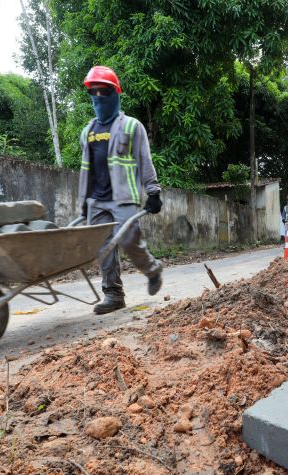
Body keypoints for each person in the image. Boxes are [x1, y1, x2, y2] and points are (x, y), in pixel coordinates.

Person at [78, 65, 164, 315]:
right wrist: (83, 201)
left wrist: (153, 191)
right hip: (96, 200)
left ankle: (152, 270)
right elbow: (86, 169)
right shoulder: (87, 131)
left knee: (129, 241)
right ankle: (113, 295)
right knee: (102, 249)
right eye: (93, 91)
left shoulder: (132, 126)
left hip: (123, 198)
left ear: (115, 93)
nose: (98, 96)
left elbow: (144, 160)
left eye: (103, 91)